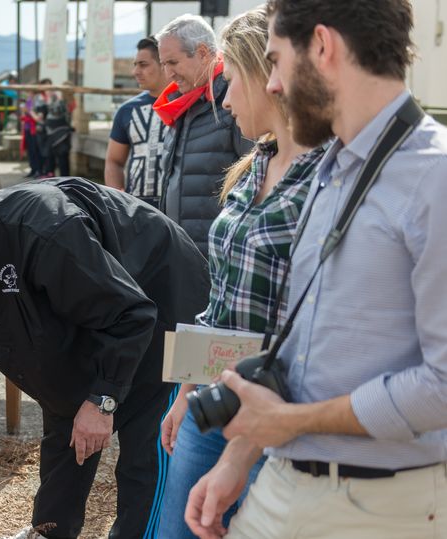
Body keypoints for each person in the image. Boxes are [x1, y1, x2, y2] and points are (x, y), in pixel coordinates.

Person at [185, 1, 447, 538]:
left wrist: (289, 424)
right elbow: (300, 344)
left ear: (323, 47)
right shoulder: (331, 168)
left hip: (381, 504)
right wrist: (239, 456)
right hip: (284, 480)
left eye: (276, 61)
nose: (273, 86)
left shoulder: (433, 179)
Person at [0, 178, 210, 539]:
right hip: (100, 319)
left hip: (168, 317)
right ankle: (49, 533)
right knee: (67, 437)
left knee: (146, 462)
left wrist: (102, 400)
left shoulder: (48, 234)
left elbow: (132, 315)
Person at [155, 8, 327, 538]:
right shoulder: (256, 163)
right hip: (216, 396)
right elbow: (221, 297)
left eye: (231, 84)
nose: (224, 101)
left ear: (266, 78)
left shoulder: (323, 180)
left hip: (276, 410)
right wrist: (185, 391)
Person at [156, 14, 254, 256]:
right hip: (182, 254)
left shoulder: (233, 104)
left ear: (202, 53)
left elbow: (254, 182)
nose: (168, 74)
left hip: (216, 257)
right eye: (164, 64)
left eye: (173, 63)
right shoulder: (183, 106)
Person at [104, 37, 170, 206]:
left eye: (143, 64)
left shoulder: (187, 105)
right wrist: (118, 201)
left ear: (163, 64)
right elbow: (114, 161)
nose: (135, 72)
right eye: (135, 65)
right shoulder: (127, 110)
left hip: (178, 212)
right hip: (137, 211)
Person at [40, 87, 73, 177]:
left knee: (62, 157)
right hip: (51, 133)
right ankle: (51, 174)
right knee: (50, 156)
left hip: (62, 133)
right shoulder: (49, 101)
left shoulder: (62, 102)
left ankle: (65, 179)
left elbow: (58, 112)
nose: (49, 93)